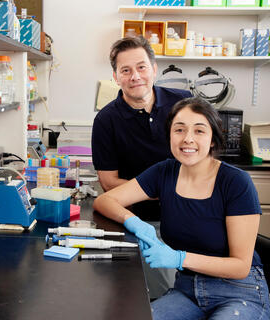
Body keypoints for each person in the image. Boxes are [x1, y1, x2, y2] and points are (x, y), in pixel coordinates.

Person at [93, 97, 270, 320]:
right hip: (188, 290)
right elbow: (104, 201)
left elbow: (240, 266)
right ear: (169, 135)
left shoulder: (235, 182)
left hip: (238, 292)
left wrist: (179, 259)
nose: (188, 139)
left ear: (213, 139)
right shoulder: (164, 172)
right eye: (179, 130)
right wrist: (133, 221)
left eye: (199, 131)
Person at [91, 36, 192, 298]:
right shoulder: (106, 120)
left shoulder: (183, 104)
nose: (135, 76)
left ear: (154, 69)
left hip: (191, 214)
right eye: (125, 70)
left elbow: (205, 157)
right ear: (116, 77)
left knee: (198, 289)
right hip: (142, 222)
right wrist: (162, 190)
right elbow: (109, 183)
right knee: (161, 294)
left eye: (141, 67)